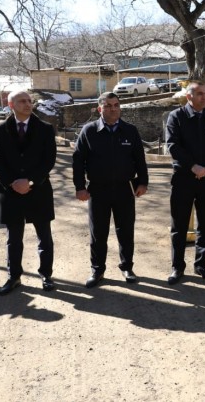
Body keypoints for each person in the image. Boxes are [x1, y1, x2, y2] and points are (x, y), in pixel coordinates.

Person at [72, 92, 149, 288]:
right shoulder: (89, 131)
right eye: (108, 105)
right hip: (98, 190)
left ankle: (127, 267)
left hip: (125, 189)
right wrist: (80, 187)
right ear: (100, 109)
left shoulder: (130, 131)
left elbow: (140, 159)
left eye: (116, 105)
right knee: (98, 232)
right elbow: (78, 161)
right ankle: (97, 270)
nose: (113, 108)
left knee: (126, 231)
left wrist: (142, 183)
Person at [0, 90, 57, 295]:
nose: (28, 104)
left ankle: (46, 275)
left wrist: (30, 181)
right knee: (13, 239)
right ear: (11, 105)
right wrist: (12, 182)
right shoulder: (1, 129)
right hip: (11, 193)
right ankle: (14, 276)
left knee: (44, 237)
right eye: (22, 101)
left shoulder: (45, 129)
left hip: (38, 190)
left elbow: (49, 160)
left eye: (29, 101)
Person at [165, 80, 205, 283]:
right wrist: (193, 167)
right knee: (180, 226)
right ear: (189, 96)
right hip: (184, 179)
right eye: (200, 93)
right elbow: (173, 145)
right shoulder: (176, 117)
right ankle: (178, 267)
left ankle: (201, 265)